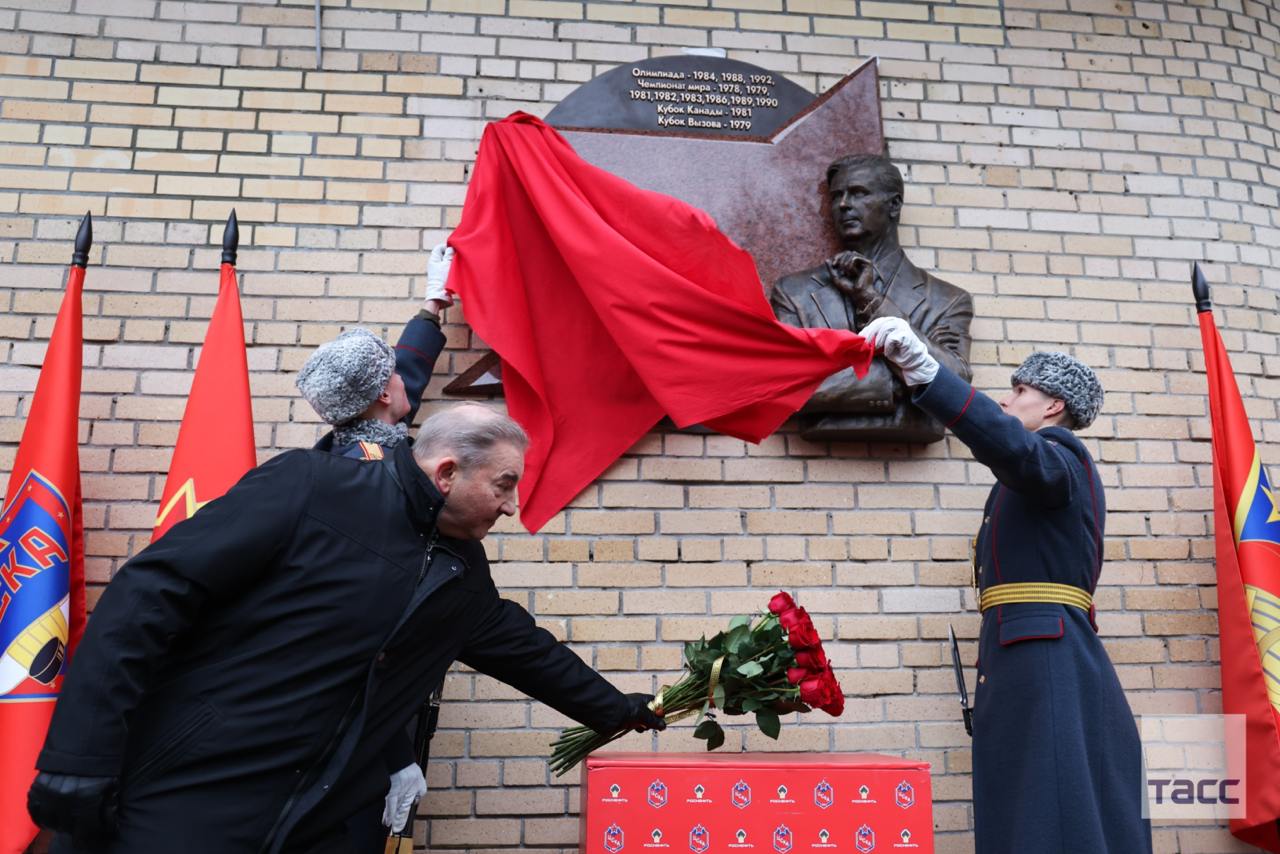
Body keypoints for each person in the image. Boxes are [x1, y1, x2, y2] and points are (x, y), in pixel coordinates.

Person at [27, 404, 664, 854]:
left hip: (316, 823)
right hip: (183, 800)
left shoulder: (461, 571)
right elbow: (149, 594)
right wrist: (79, 758)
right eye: (503, 485)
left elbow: (521, 648)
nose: (510, 505)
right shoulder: (311, 486)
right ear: (447, 473)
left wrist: (622, 709)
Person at [861, 316, 1151, 854]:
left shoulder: (1061, 456)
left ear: (1053, 407)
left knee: (1052, 811)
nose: (1008, 398)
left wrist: (927, 373)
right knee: (1031, 806)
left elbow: (1014, 450)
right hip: (1025, 654)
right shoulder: (1036, 474)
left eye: (1020, 390)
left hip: (1044, 657)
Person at [294, 243, 455, 846]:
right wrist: (392, 753)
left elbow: (404, 375)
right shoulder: (372, 479)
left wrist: (432, 306)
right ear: (381, 396)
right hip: (354, 729)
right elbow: (353, 636)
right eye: (389, 374)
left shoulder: (357, 444)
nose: (399, 377)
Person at [771, 153, 973, 442]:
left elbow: (955, 384)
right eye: (837, 196)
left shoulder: (947, 300)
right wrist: (901, 382)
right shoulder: (794, 293)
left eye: (858, 194)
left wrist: (871, 299)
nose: (843, 205)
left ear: (893, 205)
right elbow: (785, 385)